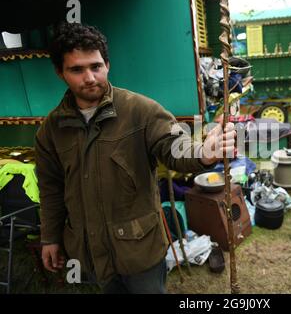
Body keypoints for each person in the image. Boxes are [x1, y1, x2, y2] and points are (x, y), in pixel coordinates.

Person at [34, 22, 236, 294]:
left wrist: (203, 153)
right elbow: (51, 189)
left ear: (107, 64)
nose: (90, 77)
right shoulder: (51, 129)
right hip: (88, 252)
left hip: (140, 250)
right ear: (60, 73)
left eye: (95, 66)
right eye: (77, 69)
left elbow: (174, 146)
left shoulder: (140, 111)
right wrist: (50, 238)